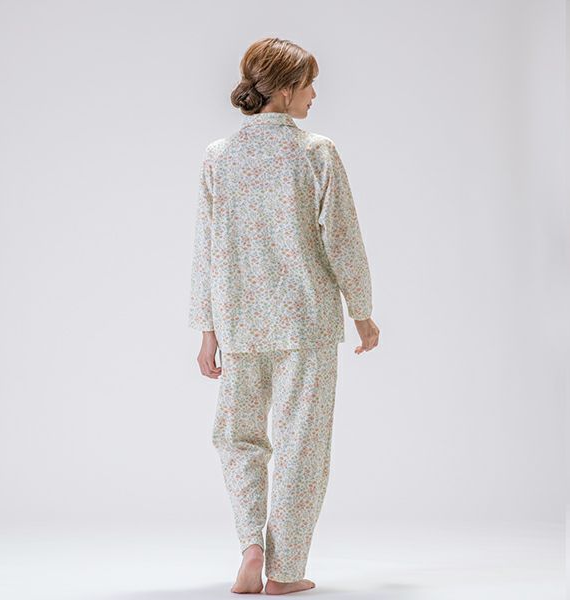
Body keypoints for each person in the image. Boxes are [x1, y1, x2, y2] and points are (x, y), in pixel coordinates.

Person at [188, 37, 379, 595]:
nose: (315, 94)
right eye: (310, 84)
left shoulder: (219, 156)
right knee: (302, 445)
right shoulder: (315, 152)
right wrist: (362, 312)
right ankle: (285, 571)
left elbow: (207, 248)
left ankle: (251, 544)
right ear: (288, 89)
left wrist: (207, 330)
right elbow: (343, 240)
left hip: (239, 323)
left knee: (237, 438)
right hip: (306, 323)